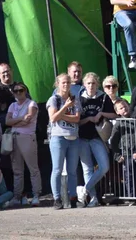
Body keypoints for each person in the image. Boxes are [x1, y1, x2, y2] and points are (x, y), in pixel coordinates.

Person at [77, 72, 115, 207]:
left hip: (97, 137)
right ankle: (93, 198)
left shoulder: (103, 97)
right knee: (87, 169)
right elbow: (77, 121)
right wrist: (88, 118)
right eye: (88, 83)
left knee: (104, 166)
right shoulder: (79, 99)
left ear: (97, 84)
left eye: (93, 83)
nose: (91, 86)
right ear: (84, 85)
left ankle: (85, 189)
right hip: (82, 137)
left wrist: (101, 113)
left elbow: (114, 114)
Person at [47, 73, 81, 209]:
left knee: (72, 170)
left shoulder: (75, 99)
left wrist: (63, 116)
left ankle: (73, 198)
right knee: (57, 169)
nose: (66, 85)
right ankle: (57, 199)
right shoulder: (54, 99)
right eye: (63, 83)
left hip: (73, 136)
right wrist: (66, 107)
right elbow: (53, 118)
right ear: (58, 84)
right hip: (58, 137)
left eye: (68, 82)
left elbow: (77, 118)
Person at [5, 82, 41, 206]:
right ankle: (17, 196)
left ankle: (36, 195)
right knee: (17, 170)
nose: (19, 93)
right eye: (16, 91)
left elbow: (29, 120)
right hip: (14, 138)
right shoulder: (12, 105)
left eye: (21, 90)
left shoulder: (31, 104)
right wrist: (20, 119)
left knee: (33, 168)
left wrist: (14, 122)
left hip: (27, 137)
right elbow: (7, 121)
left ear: (26, 91)